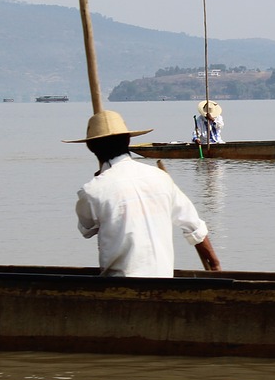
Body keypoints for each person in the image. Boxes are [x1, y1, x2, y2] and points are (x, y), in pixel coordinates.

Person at [67, 110, 221, 277]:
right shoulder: (161, 178)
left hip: (117, 288)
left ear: (91, 148)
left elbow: (87, 229)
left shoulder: (93, 191)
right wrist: (215, 265)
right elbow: (195, 227)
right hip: (164, 281)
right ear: (128, 140)